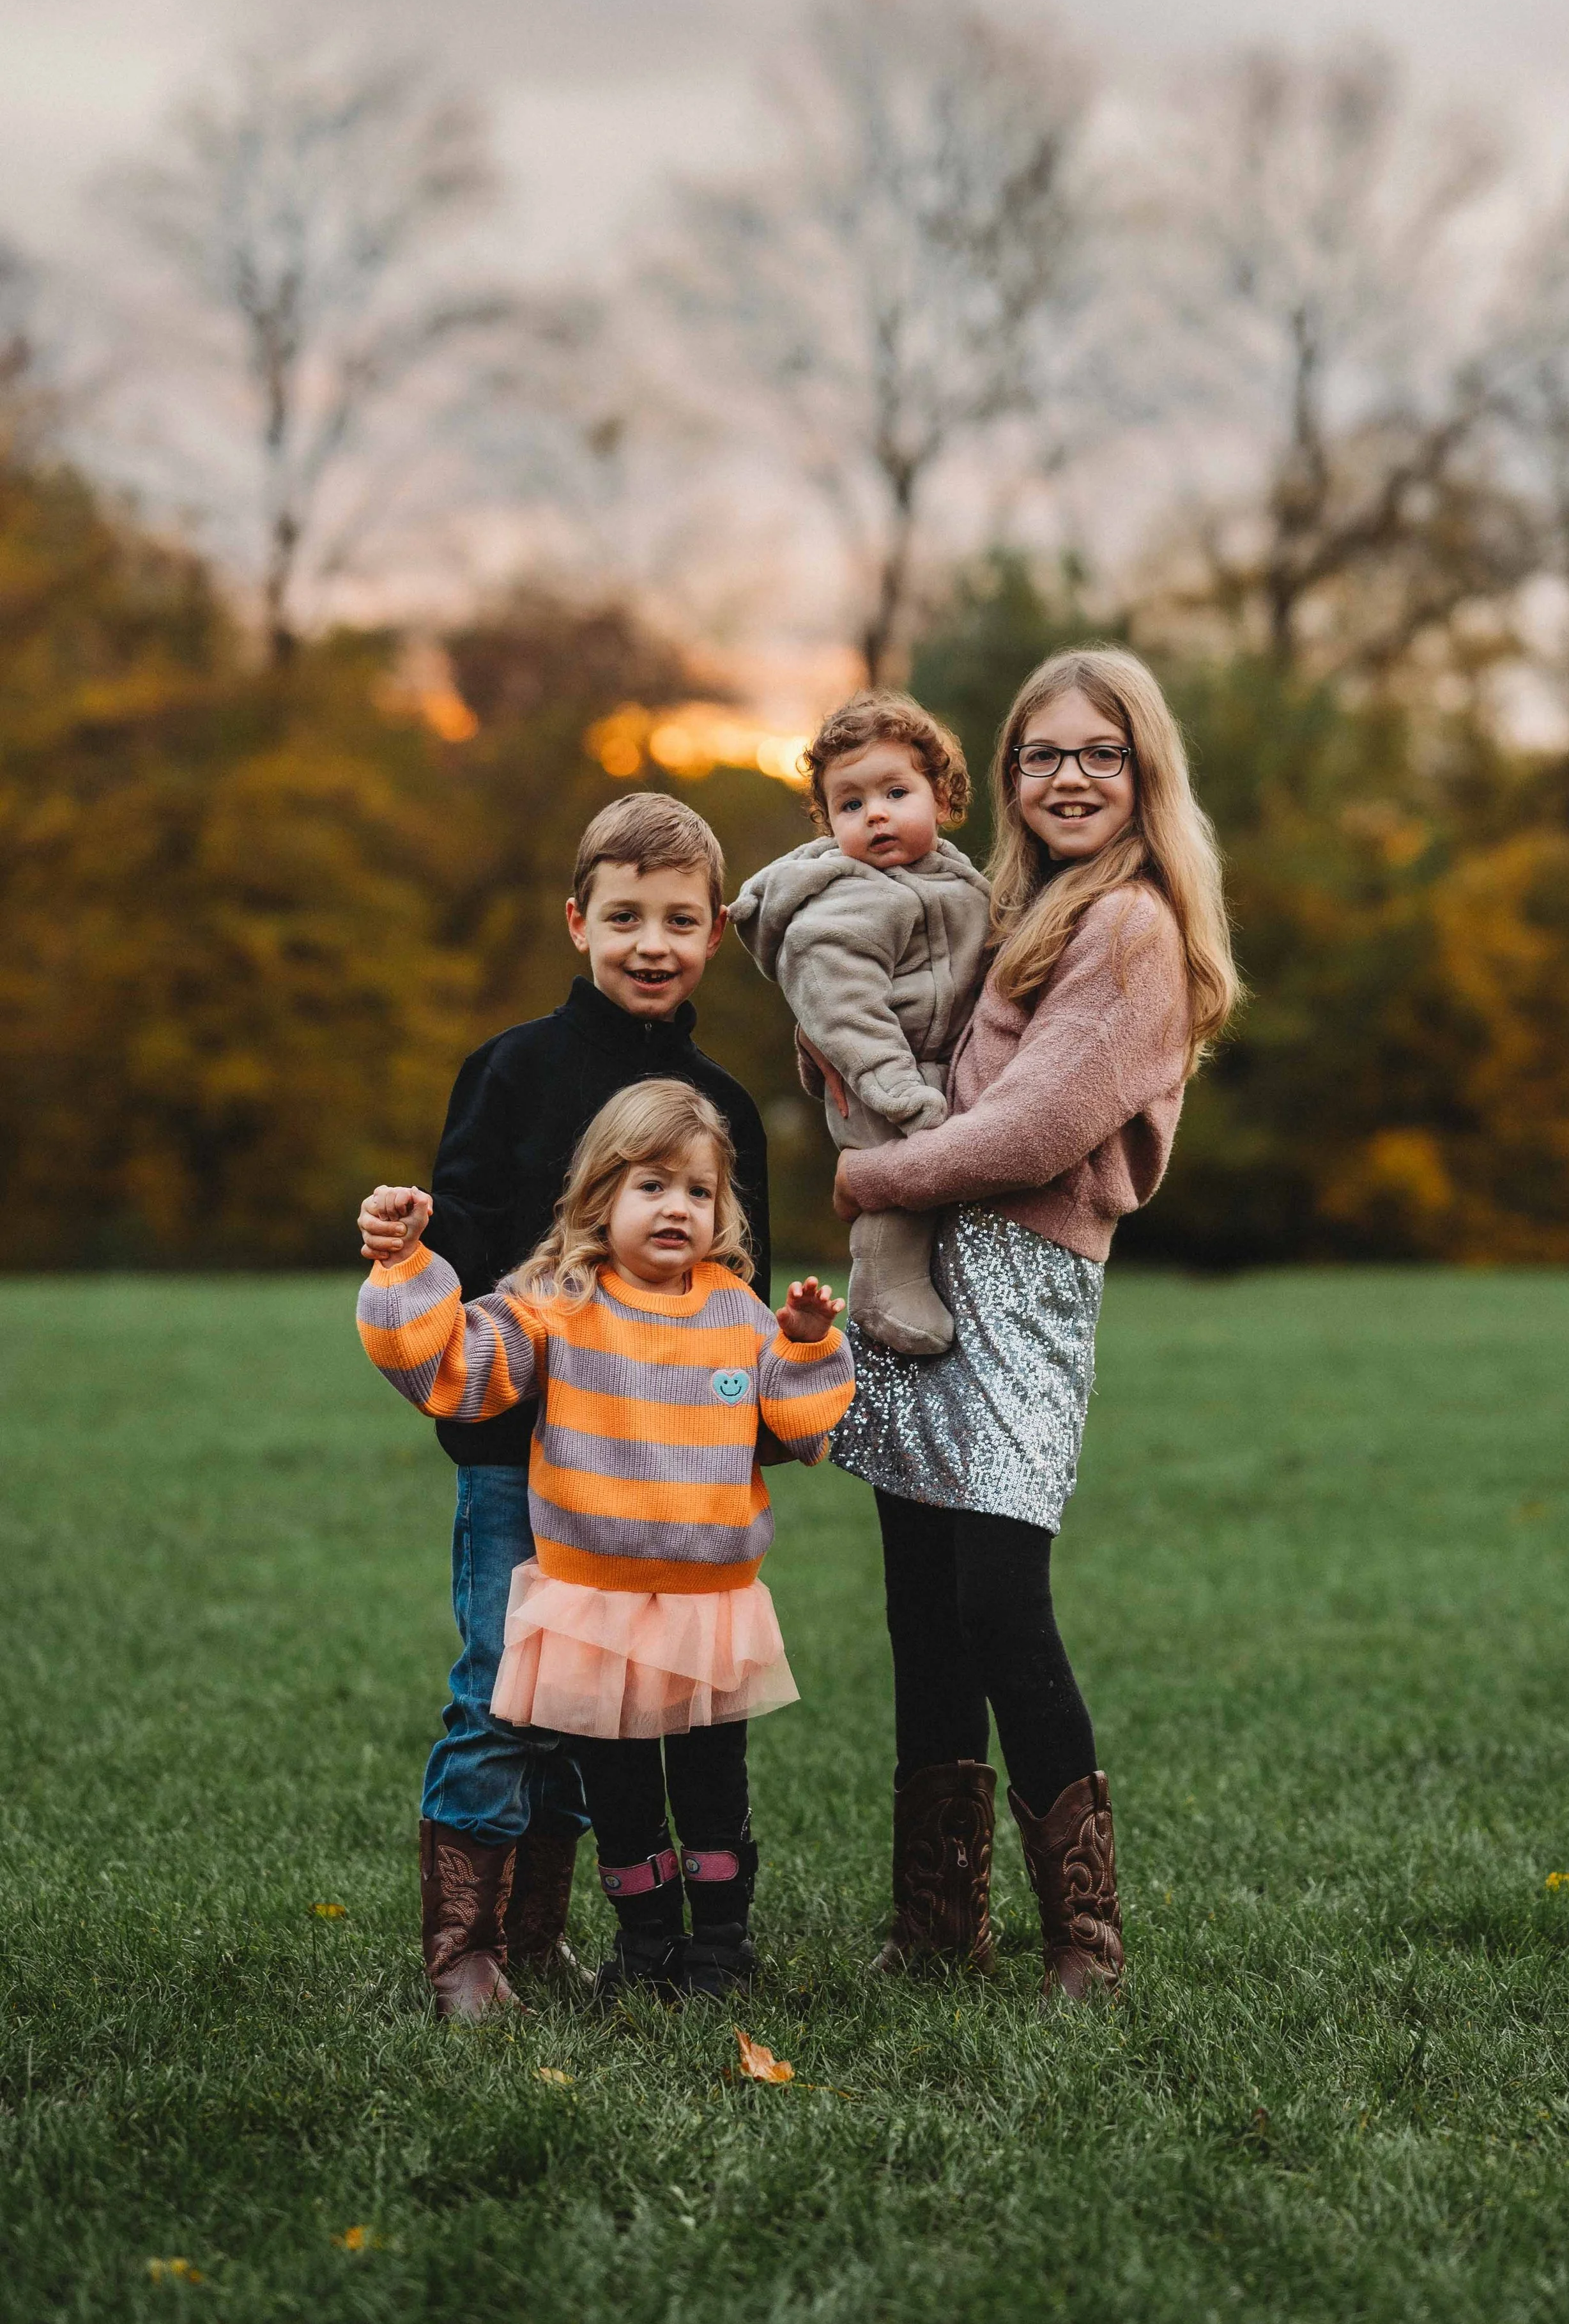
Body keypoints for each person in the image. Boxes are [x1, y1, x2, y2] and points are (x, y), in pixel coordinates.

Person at [829, 648, 1239, 2006]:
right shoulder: (1014, 907)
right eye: (1040, 755)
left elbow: (1037, 1128)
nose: (1067, 778)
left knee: (999, 1603)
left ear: (1141, 774)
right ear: (1005, 779)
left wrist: (866, 1176)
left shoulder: (1127, 924)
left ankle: (1086, 1944)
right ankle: (939, 1926)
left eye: (1097, 754)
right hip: (927, 1277)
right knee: (920, 1609)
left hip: (1015, 1287)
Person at [356, 795, 770, 2021]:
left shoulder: (725, 1109)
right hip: (516, 1456)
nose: (653, 942)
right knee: (501, 1693)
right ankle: (465, 1949)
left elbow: (738, 1297)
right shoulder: (513, 1070)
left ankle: (540, 1935)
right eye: (627, 916)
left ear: (715, 935)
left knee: (594, 1704)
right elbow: (466, 1241)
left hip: (654, 1477)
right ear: (578, 921)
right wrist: (407, 1257)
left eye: (681, 920)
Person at [358, 1079, 852, 2006]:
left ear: (724, 1208)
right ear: (600, 1199)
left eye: (699, 1191)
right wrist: (405, 1266)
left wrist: (805, 1346)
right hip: (595, 1604)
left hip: (710, 1607)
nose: (678, 1207)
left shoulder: (738, 1312)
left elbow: (802, 1430)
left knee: (712, 1788)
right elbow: (457, 1370)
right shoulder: (560, 1301)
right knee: (621, 1797)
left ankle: (723, 1948)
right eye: (652, 1185)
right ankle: (646, 1945)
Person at [730, 693, 990, 1358]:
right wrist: (901, 1093)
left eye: (895, 792)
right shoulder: (842, 902)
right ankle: (881, 1289)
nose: (874, 813)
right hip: (877, 1078)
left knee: (934, 1189)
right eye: (850, 804)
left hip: (938, 1067)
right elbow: (843, 1010)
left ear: (943, 798)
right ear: (829, 823)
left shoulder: (960, 881)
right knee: (893, 1194)